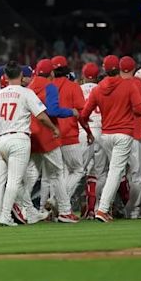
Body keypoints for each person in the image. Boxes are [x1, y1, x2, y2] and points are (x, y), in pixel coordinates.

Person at [0, 61, 61, 226]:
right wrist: (53, 128)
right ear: (21, 76)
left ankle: (27, 212)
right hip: (18, 139)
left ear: (5, 76)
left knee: (2, 180)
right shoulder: (26, 92)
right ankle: (5, 216)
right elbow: (41, 116)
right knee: (15, 181)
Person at [80, 55, 141, 223]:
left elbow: (83, 115)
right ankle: (102, 209)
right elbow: (139, 110)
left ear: (105, 69)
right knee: (116, 172)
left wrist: (87, 131)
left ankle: (105, 208)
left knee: (111, 173)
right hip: (123, 133)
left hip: (105, 135)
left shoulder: (98, 88)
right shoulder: (129, 85)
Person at [27, 59, 81, 223]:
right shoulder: (49, 86)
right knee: (56, 174)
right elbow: (52, 110)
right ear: (51, 73)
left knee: (30, 175)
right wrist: (70, 111)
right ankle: (65, 211)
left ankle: (23, 209)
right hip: (47, 135)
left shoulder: (29, 87)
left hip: (31, 134)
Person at [51, 56, 89, 198]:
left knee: (57, 174)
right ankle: (58, 201)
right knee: (78, 170)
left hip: (50, 135)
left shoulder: (47, 87)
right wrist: (88, 132)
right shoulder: (73, 86)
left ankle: (48, 206)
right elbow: (81, 114)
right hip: (69, 135)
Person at [119, 57, 141, 219]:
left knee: (115, 174)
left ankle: (104, 207)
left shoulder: (113, 82)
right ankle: (133, 210)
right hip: (135, 135)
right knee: (137, 176)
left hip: (113, 134)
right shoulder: (139, 85)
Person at [79, 62, 108, 219]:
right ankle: (97, 208)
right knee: (100, 172)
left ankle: (86, 208)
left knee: (80, 172)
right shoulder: (103, 88)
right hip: (102, 131)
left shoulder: (78, 89)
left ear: (83, 76)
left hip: (84, 131)